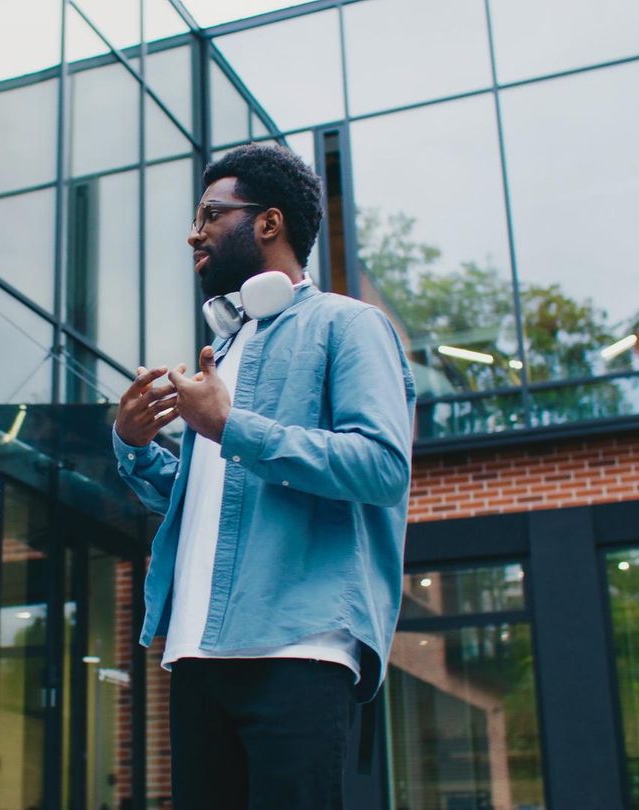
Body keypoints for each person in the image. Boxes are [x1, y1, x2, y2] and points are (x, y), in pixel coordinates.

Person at [112, 143, 416, 807]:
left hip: (299, 648)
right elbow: (208, 500)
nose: (194, 232)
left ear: (268, 224)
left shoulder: (350, 326)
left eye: (211, 214)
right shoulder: (222, 349)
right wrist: (134, 444)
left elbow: (384, 467)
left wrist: (232, 428)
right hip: (195, 653)